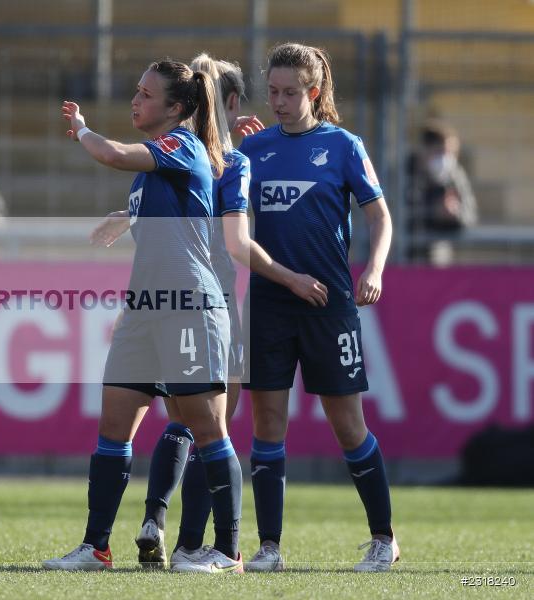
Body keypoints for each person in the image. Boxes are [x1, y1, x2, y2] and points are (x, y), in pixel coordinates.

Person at [89, 54, 326, 574]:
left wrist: (286, 277)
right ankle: (170, 533)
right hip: (174, 303)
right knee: (195, 422)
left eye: (212, 91)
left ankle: (186, 538)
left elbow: (230, 238)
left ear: (229, 101)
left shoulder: (223, 160)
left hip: (209, 303)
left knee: (199, 424)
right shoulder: (192, 154)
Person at [43, 59, 243, 573]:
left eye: (147, 94)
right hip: (146, 308)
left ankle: (227, 552)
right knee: (113, 425)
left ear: (176, 108)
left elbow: (111, 154)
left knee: (206, 427)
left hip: (187, 306)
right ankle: (96, 547)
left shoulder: (181, 145)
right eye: (136, 91)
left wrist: (83, 128)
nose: (136, 100)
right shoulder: (159, 164)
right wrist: (124, 217)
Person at [237, 42, 398, 573]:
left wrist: (372, 270)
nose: (279, 102)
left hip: (329, 303)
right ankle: (270, 548)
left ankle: (383, 539)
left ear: (314, 91)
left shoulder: (344, 146)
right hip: (269, 302)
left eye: (289, 93)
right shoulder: (256, 151)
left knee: (347, 423)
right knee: (267, 422)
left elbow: (380, 218)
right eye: (273, 92)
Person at [407, 119, 478, 264]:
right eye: (441, 152)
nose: (447, 159)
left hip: (438, 258)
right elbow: (395, 216)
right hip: (402, 257)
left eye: (452, 153)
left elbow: (470, 215)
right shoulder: (404, 174)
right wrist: (433, 212)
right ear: (424, 151)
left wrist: (454, 214)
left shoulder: (456, 175)